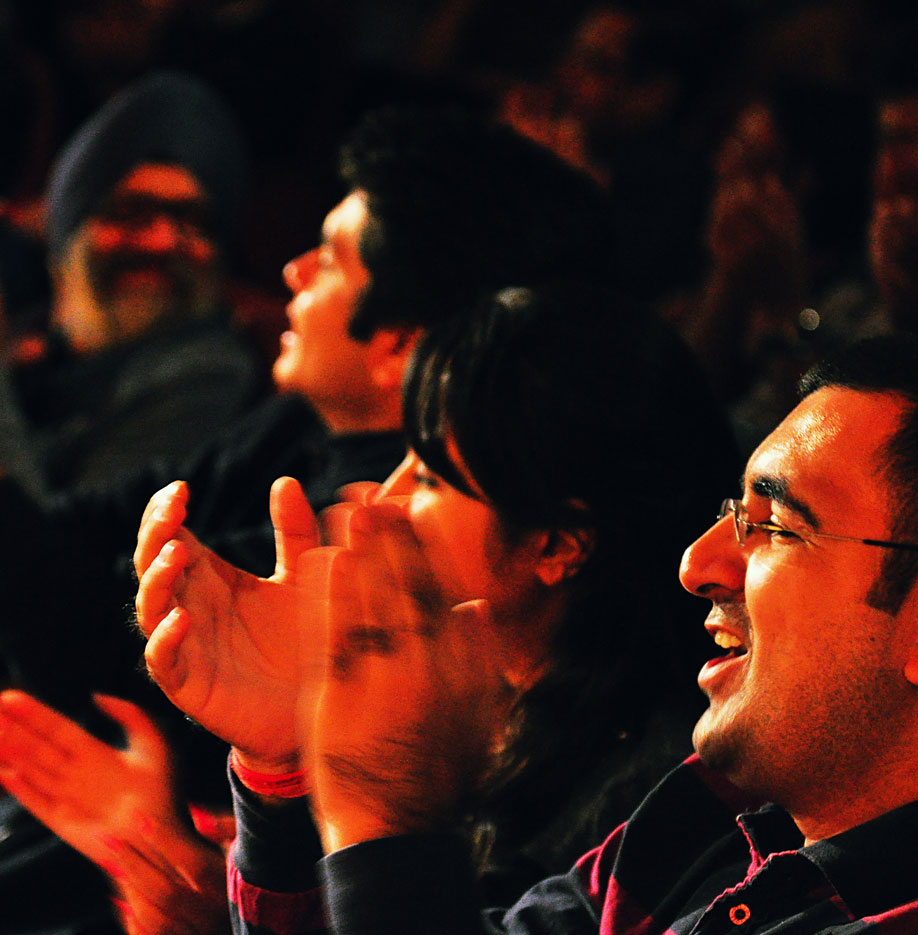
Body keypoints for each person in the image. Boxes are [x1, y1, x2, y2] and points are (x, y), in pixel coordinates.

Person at [0, 107, 617, 934]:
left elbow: (105, 654)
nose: (289, 270)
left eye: (328, 258)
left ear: (400, 341)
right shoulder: (300, 425)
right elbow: (78, 544)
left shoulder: (373, 529)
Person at [132, 282, 740, 929]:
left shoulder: (649, 793)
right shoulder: (487, 713)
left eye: (426, 477)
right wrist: (281, 764)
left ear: (556, 543)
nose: (379, 496)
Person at [286, 331, 918, 933]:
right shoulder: (710, 810)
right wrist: (279, 771)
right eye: (733, 511)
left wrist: (385, 820)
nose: (697, 564)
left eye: (774, 525)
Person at [7, 69, 263, 494]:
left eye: (192, 221)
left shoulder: (206, 374)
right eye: (132, 213)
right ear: (70, 232)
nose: (162, 242)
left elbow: (51, 550)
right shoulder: (27, 333)